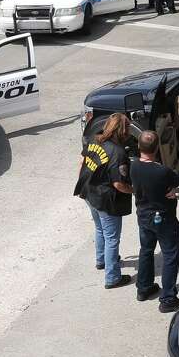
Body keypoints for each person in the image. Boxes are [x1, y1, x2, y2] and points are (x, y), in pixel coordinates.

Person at [73, 114, 134, 289]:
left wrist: (83, 184)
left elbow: (82, 161)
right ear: (121, 130)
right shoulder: (118, 152)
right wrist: (136, 190)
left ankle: (101, 260)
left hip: (89, 192)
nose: (129, 131)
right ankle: (112, 277)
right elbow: (118, 184)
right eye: (127, 128)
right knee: (112, 238)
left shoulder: (94, 139)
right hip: (106, 200)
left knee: (100, 228)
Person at [128, 130, 179, 312]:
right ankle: (167, 298)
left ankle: (143, 288)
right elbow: (176, 180)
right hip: (163, 217)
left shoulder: (134, 166)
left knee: (146, 249)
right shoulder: (162, 171)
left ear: (138, 146)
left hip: (143, 215)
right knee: (170, 255)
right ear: (157, 147)